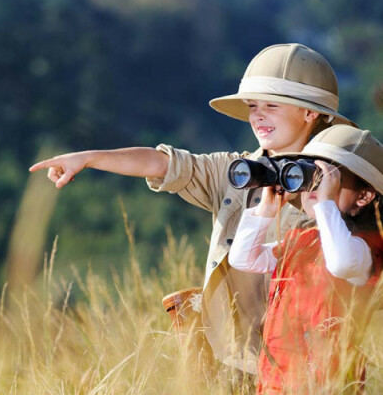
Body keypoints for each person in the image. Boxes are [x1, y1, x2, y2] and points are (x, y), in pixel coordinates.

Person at [29, 43, 355, 373]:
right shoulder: (234, 172)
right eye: (253, 105)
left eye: (272, 105)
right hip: (228, 357)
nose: (258, 115)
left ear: (310, 112)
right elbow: (163, 164)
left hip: (301, 366)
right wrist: (89, 158)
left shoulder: (338, 188)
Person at [228, 124, 383, 393]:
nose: (315, 185)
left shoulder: (365, 249)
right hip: (275, 385)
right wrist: (266, 208)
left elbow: (340, 262)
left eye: (329, 177)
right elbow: (243, 258)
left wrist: (325, 203)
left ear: (364, 196)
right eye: (310, 173)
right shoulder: (301, 241)